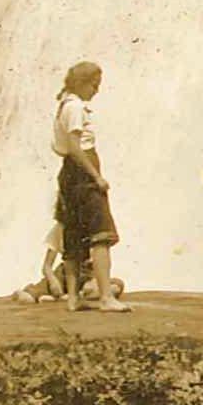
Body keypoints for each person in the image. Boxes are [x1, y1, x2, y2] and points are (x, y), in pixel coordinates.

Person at [53, 60, 124, 310]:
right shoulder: (75, 108)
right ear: (82, 83)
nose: (97, 90)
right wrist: (96, 177)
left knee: (73, 235)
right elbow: (75, 146)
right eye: (94, 85)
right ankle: (106, 297)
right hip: (83, 172)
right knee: (101, 234)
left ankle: (73, 298)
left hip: (69, 174)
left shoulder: (65, 104)